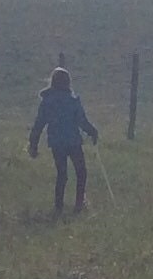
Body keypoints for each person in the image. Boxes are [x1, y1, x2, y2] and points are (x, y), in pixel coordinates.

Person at [28, 67, 100, 213]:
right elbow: (82, 121)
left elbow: (39, 124)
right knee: (81, 172)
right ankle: (79, 203)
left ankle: (58, 205)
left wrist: (33, 144)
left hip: (57, 143)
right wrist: (92, 131)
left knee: (62, 174)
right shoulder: (73, 100)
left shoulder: (47, 101)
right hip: (73, 141)